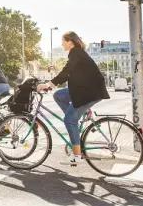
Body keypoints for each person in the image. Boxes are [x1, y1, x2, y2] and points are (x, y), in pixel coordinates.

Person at [37, 31, 110, 166]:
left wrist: (48, 84)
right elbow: (68, 73)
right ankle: (77, 117)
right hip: (83, 90)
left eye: (63, 41)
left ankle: (77, 155)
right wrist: (52, 86)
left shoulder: (76, 52)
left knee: (69, 120)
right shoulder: (77, 53)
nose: (62, 44)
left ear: (70, 42)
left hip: (89, 92)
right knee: (58, 95)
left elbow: (66, 71)